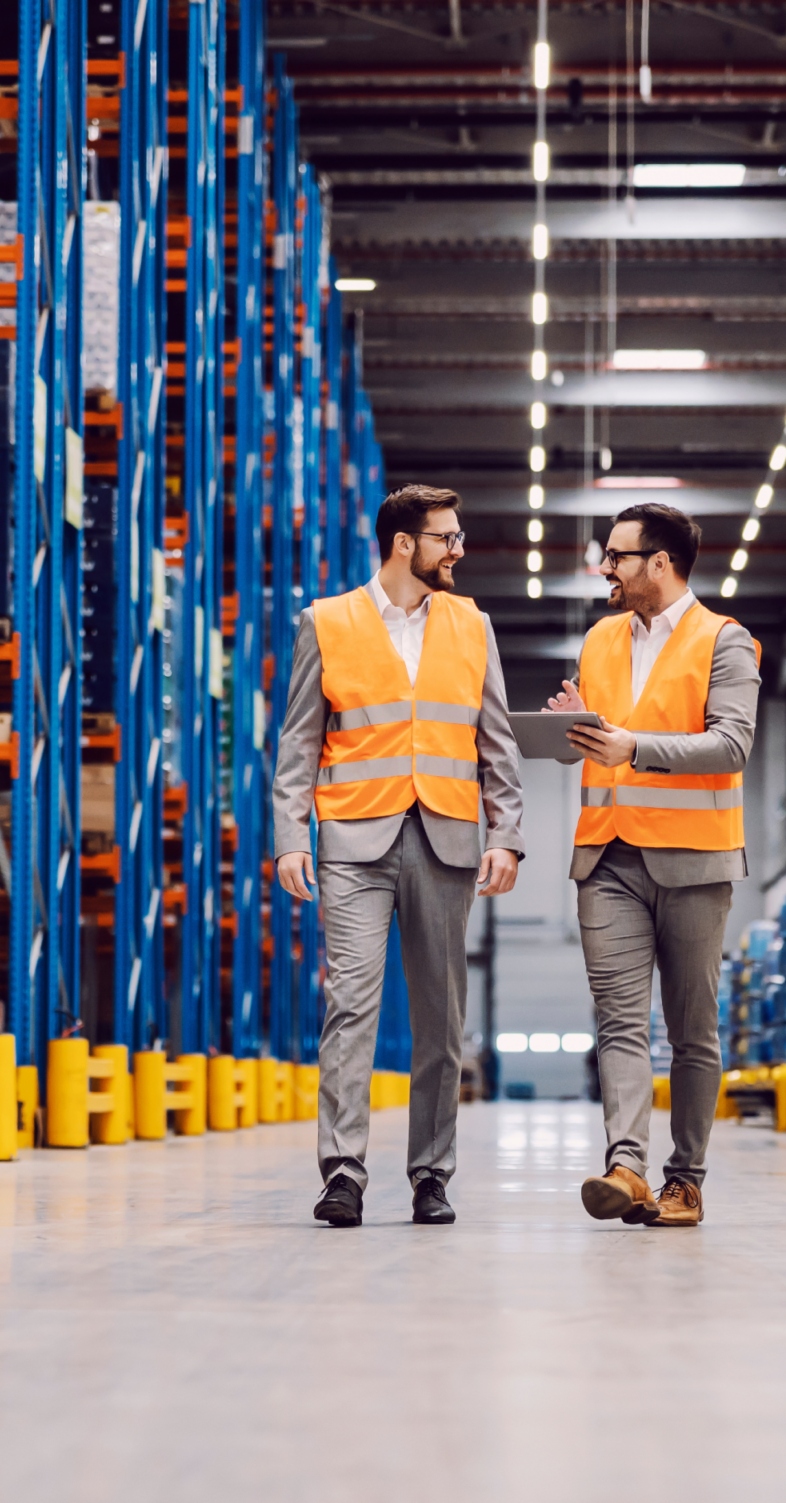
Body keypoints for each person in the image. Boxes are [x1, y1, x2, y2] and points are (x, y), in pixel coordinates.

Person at [273, 483, 525, 1228]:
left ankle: (431, 1174)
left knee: (441, 1019)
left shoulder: (472, 624)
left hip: (446, 837)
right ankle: (343, 1172)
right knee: (349, 1006)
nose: (459, 549)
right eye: (446, 537)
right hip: (353, 840)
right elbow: (299, 742)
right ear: (403, 544)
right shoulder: (326, 622)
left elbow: (497, 741)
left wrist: (506, 834)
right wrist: (292, 837)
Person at [547, 503, 759, 1228]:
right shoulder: (600, 640)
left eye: (617, 556)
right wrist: (574, 724)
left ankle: (685, 1181)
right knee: (619, 1021)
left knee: (692, 1029)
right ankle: (627, 1167)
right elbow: (604, 739)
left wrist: (630, 745)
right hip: (606, 853)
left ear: (659, 564)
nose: (605, 568)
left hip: (695, 862)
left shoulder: (725, 643)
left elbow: (732, 746)